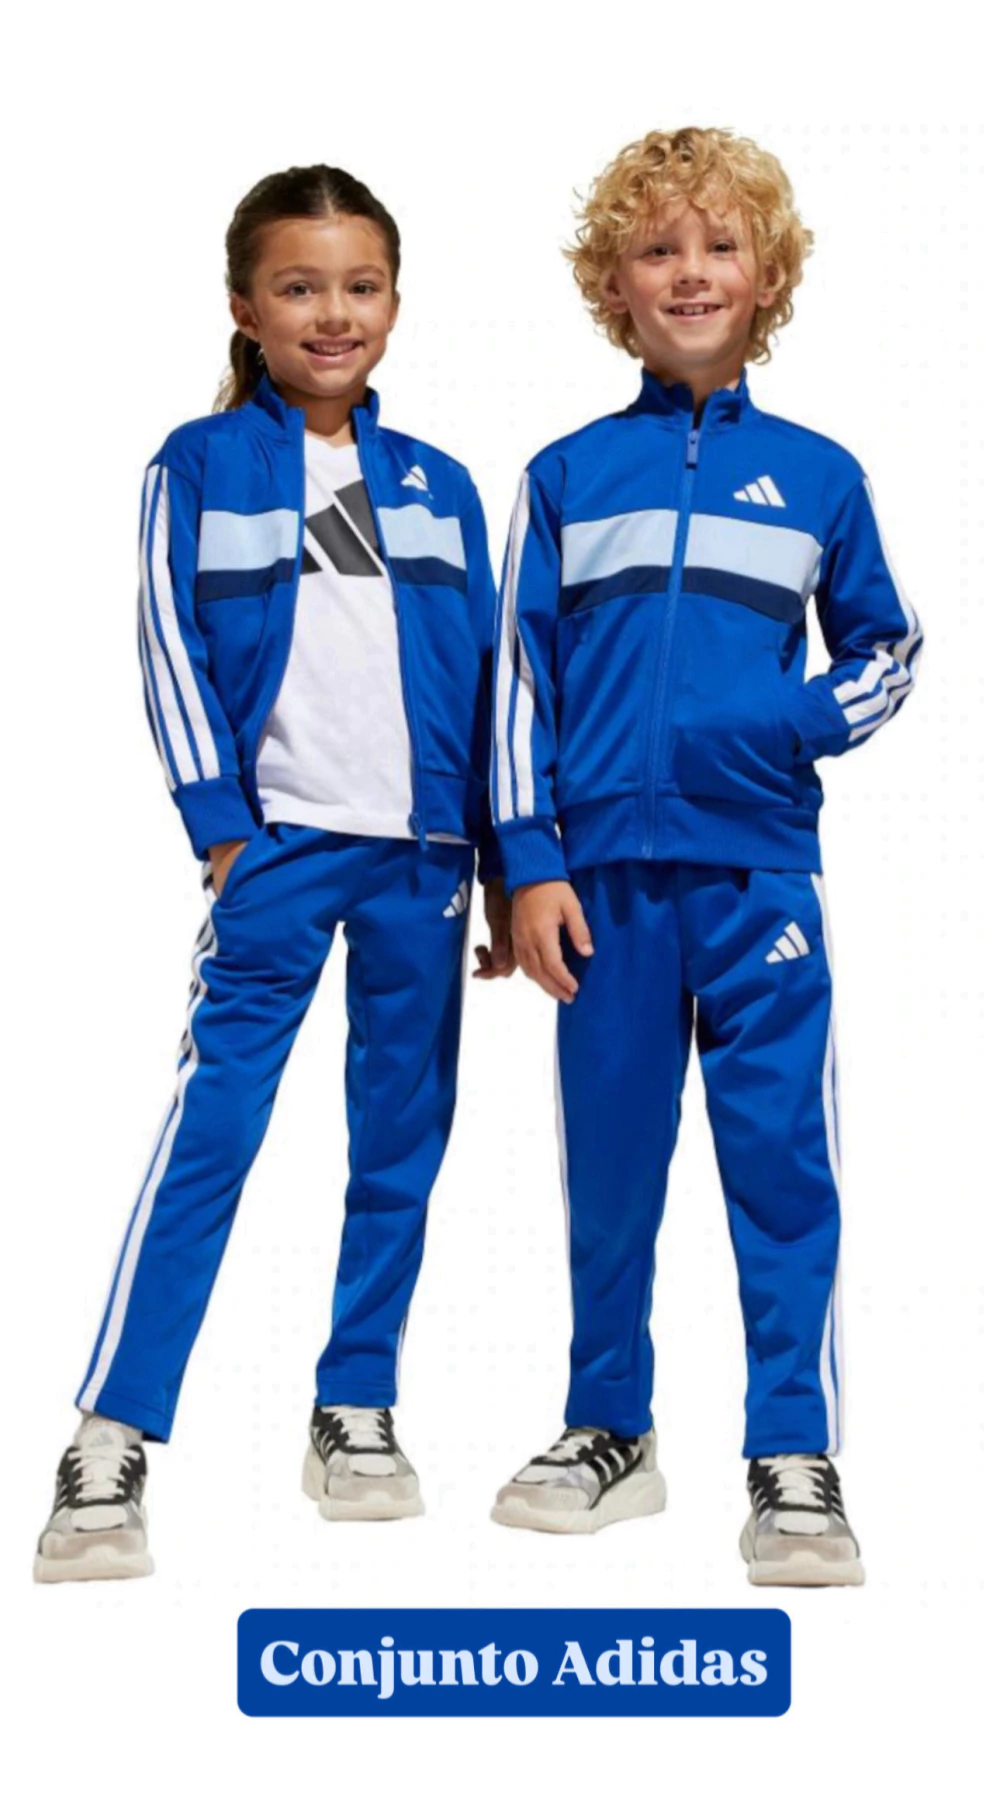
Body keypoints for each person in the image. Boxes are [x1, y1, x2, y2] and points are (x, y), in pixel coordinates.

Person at [35, 163, 512, 1583]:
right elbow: (167, 642)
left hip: (423, 861)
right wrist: (220, 824)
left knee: (401, 1140)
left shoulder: (441, 485)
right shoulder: (197, 462)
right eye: (300, 288)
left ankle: (356, 1405)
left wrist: (503, 858)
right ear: (246, 308)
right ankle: (112, 1432)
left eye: (361, 286)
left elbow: (494, 680)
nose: (333, 313)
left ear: (396, 304)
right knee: (215, 1131)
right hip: (279, 853)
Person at [488, 127, 922, 1584]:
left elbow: (888, 649)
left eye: (720, 245)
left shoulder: (819, 477)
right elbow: (517, 683)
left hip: (760, 880)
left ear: (769, 275)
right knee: (611, 1170)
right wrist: (529, 860)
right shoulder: (566, 475)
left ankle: (794, 1453)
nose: (690, 272)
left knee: (781, 1165)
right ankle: (608, 1427)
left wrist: (785, 725)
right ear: (613, 284)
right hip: (601, 887)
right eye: (657, 248)